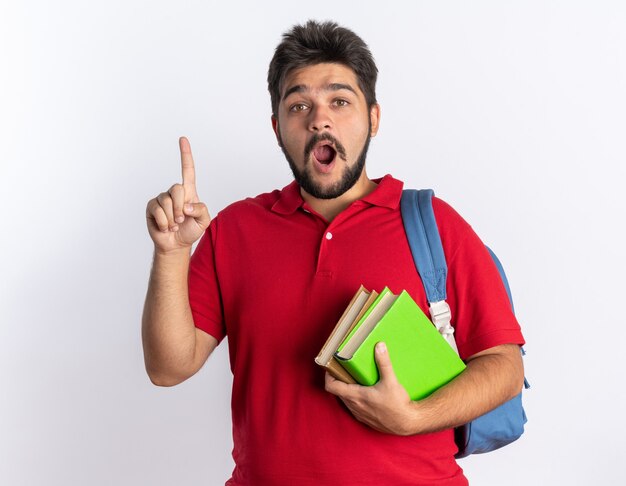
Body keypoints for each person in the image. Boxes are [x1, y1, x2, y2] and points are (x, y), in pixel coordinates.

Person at [142, 20, 525, 486]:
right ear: (277, 128)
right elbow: (167, 367)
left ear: (374, 118)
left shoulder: (435, 224)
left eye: (339, 101)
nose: (319, 119)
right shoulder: (235, 229)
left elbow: (504, 367)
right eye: (298, 104)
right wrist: (171, 253)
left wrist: (415, 416)